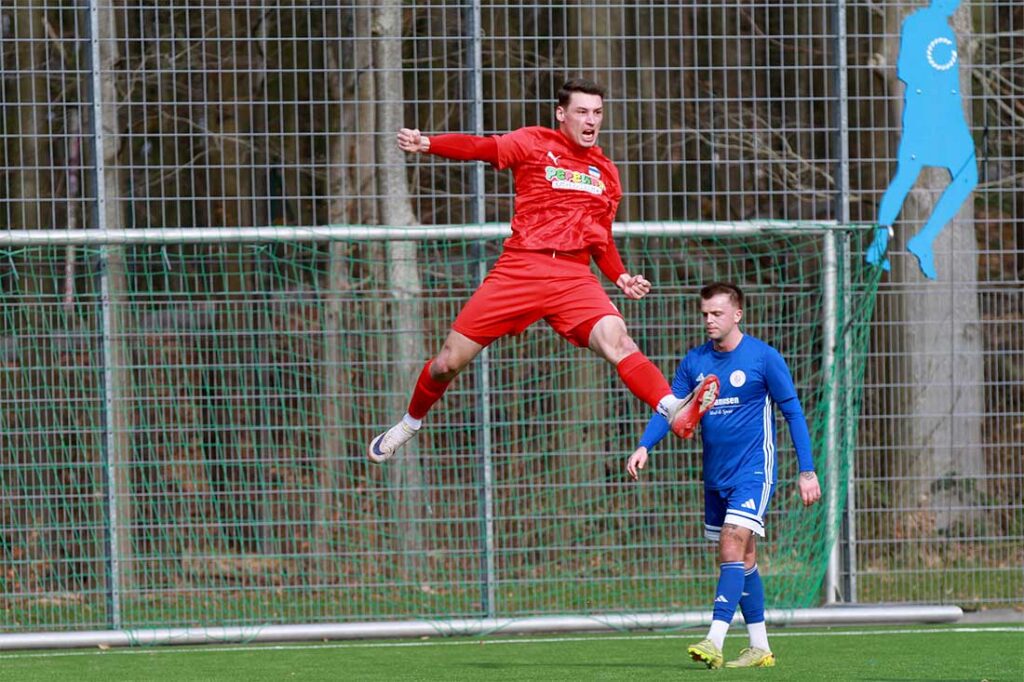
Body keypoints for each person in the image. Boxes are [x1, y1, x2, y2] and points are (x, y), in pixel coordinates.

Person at [368, 77, 720, 463]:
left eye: (598, 113)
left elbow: (600, 238)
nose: (591, 121)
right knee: (446, 362)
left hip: (573, 277)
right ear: (561, 114)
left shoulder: (605, 172)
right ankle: (410, 422)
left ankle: (673, 408)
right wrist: (429, 143)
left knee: (618, 340)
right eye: (582, 112)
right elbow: (481, 147)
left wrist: (619, 275)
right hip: (521, 268)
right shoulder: (533, 142)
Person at [626, 282, 821, 669]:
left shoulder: (763, 358)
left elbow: (793, 413)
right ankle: (760, 647)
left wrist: (807, 470)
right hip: (715, 475)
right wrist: (645, 445)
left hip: (754, 470)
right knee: (744, 558)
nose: (709, 320)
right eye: (705, 314)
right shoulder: (695, 361)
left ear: (737, 314)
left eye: (716, 313)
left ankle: (714, 639)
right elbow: (673, 408)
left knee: (731, 545)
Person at [864, 0, 976, 279]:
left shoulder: (946, 29)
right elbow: (908, 71)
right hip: (925, 114)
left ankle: (921, 240)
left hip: (947, 116)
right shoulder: (915, 25)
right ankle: (880, 244)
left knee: (966, 176)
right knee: (906, 177)